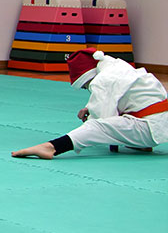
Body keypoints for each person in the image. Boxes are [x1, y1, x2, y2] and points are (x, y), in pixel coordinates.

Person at [12, 48, 167, 159]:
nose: (88, 88)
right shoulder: (119, 67)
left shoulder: (103, 79)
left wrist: (90, 115)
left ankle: (51, 147)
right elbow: (122, 99)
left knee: (95, 127)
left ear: (89, 77)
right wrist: (90, 108)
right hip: (160, 122)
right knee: (119, 121)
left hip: (148, 127)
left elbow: (102, 119)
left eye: (86, 86)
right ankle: (142, 143)